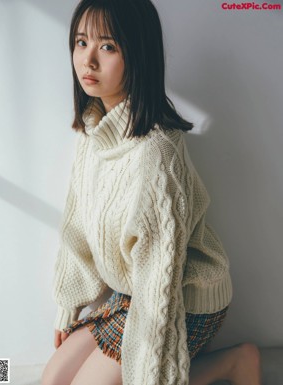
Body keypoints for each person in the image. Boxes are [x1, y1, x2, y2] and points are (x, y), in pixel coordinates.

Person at [42, 0, 262, 384]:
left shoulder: (155, 154)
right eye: (81, 42)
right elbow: (76, 228)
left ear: (138, 55)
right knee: (52, 380)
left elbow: (159, 288)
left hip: (182, 295)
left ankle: (233, 363)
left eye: (107, 47)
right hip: (130, 293)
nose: (88, 61)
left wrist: (148, 369)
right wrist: (68, 305)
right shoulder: (92, 133)